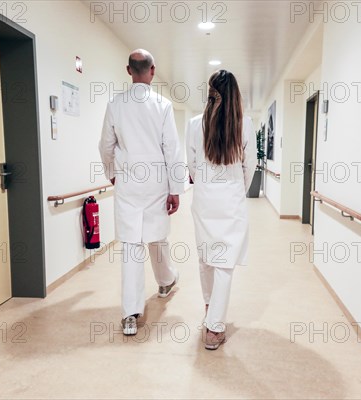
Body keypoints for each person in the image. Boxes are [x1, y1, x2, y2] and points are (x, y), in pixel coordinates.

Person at [99, 49, 184, 336]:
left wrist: (112, 172)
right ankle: (165, 281)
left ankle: (130, 315)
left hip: (128, 186)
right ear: (152, 70)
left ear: (128, 70)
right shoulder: (163, 105)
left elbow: (105, 145)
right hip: (156, 185)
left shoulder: (115, 104)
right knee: (157, 237)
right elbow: (172, 149)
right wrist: (175, 189)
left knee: (132, 246)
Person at [186, 70, 257, 350]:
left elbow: (191, 165)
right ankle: (214, 328)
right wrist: (237, 189)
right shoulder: (245, 125)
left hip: (204, 200)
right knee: (224, 263)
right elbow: (248, 168)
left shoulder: (194, 125)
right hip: (231, 201)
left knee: (206, 258)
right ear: (235, 96)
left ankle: (209, 309)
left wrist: (204, 183)